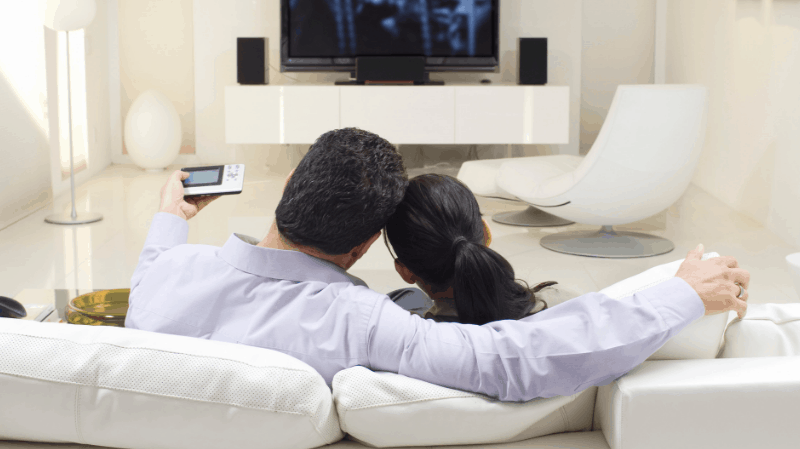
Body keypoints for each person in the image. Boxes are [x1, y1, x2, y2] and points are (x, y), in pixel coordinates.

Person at [126, 127, 750, 402]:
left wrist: (170, 215)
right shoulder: (361, 322)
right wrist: (683, 294)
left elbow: (158, 257)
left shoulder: (164, 278)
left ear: (290, 184)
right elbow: (518, 356)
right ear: (368, 245)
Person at [384, 174, 579, 324]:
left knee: (405, 297)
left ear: (405, 271)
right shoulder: (567, 306)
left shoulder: (413, 343)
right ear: (486, 233)